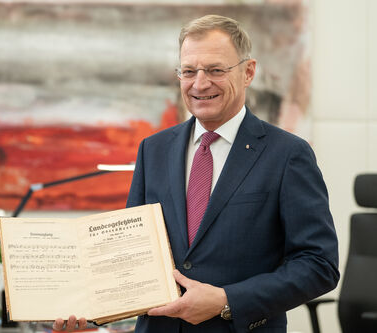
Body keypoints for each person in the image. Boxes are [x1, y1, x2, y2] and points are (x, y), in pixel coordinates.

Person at [54, 14, 339, 333]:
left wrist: (226, 299)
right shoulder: (153, 149)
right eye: (189, 71)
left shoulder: (287, 154)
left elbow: (319, 265)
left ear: (248, 72)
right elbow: (132, 257)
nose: (200, 83)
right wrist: (93, 317)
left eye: (216, 70)